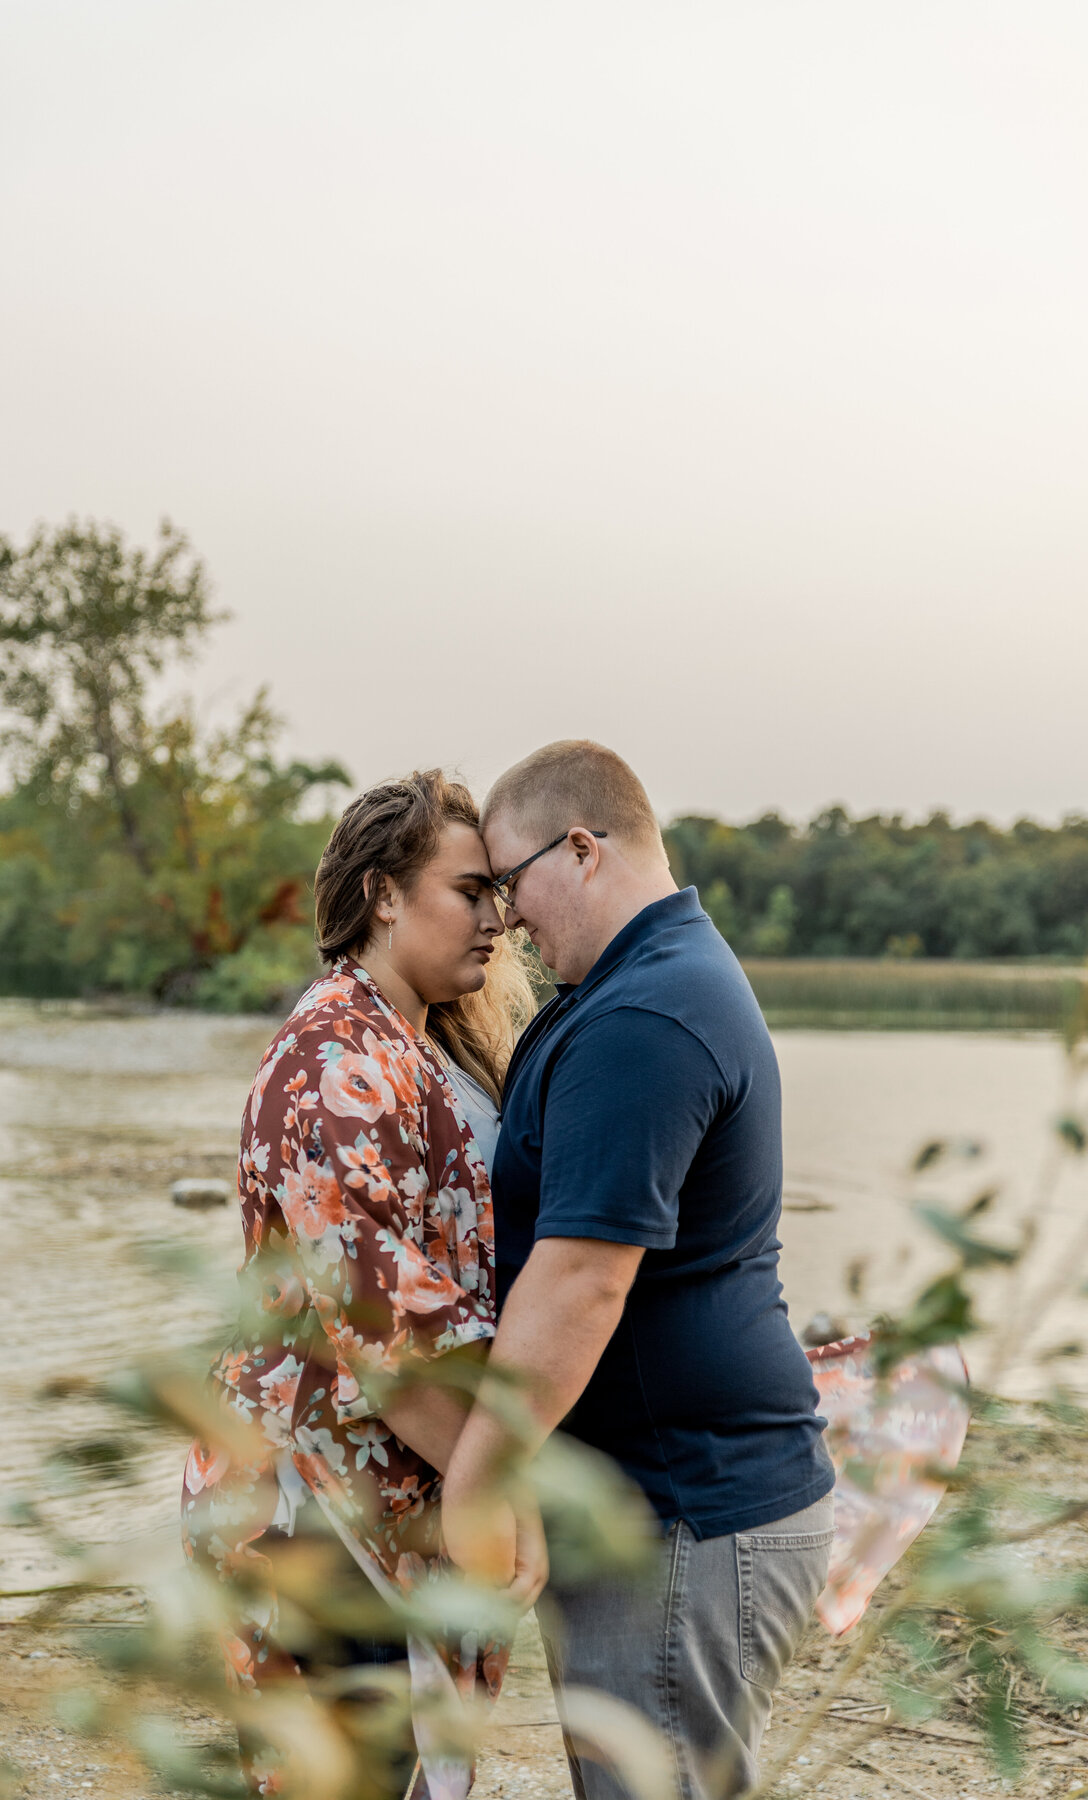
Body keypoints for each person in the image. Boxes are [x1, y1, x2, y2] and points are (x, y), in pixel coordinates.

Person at [441, 740, 836, 1800]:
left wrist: (476, 1483)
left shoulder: (645, 1018)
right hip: (676, 1513)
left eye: (511, 886)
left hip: (686, 1517)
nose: (508, 921)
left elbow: (581, 1280)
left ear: (582, 850)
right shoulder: (637, 984)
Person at [181, 769, 544, 1799]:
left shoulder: (417, 1046)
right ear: (385, 895)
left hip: (391, 1494)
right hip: (314, 1511)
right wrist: (500, 1504)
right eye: (469, 891)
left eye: (500, 895)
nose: (499, 919)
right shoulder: (332, 1061)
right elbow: (386, 1335)